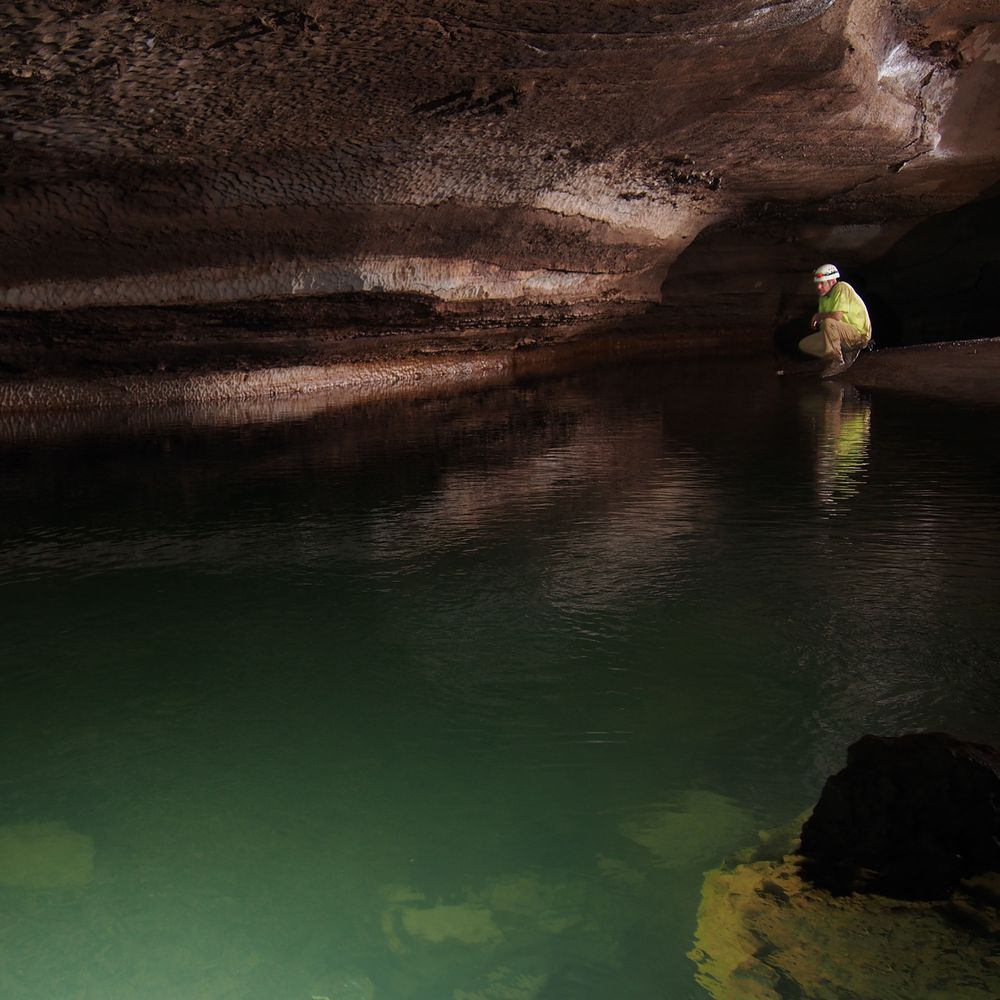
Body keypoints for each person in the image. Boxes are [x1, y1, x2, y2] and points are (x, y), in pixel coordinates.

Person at [797, 264, 872, 377]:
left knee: (829, 321)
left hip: (859, 334)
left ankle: (837, 361)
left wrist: (818, 316)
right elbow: (825, 328)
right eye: (817, 284)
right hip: (842, 335)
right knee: (805, 345)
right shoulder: (823, 298)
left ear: (832, 281)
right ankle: (842, 355)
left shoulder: (842, 287)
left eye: (822, 283)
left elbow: (836, 316)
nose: (818, 287)